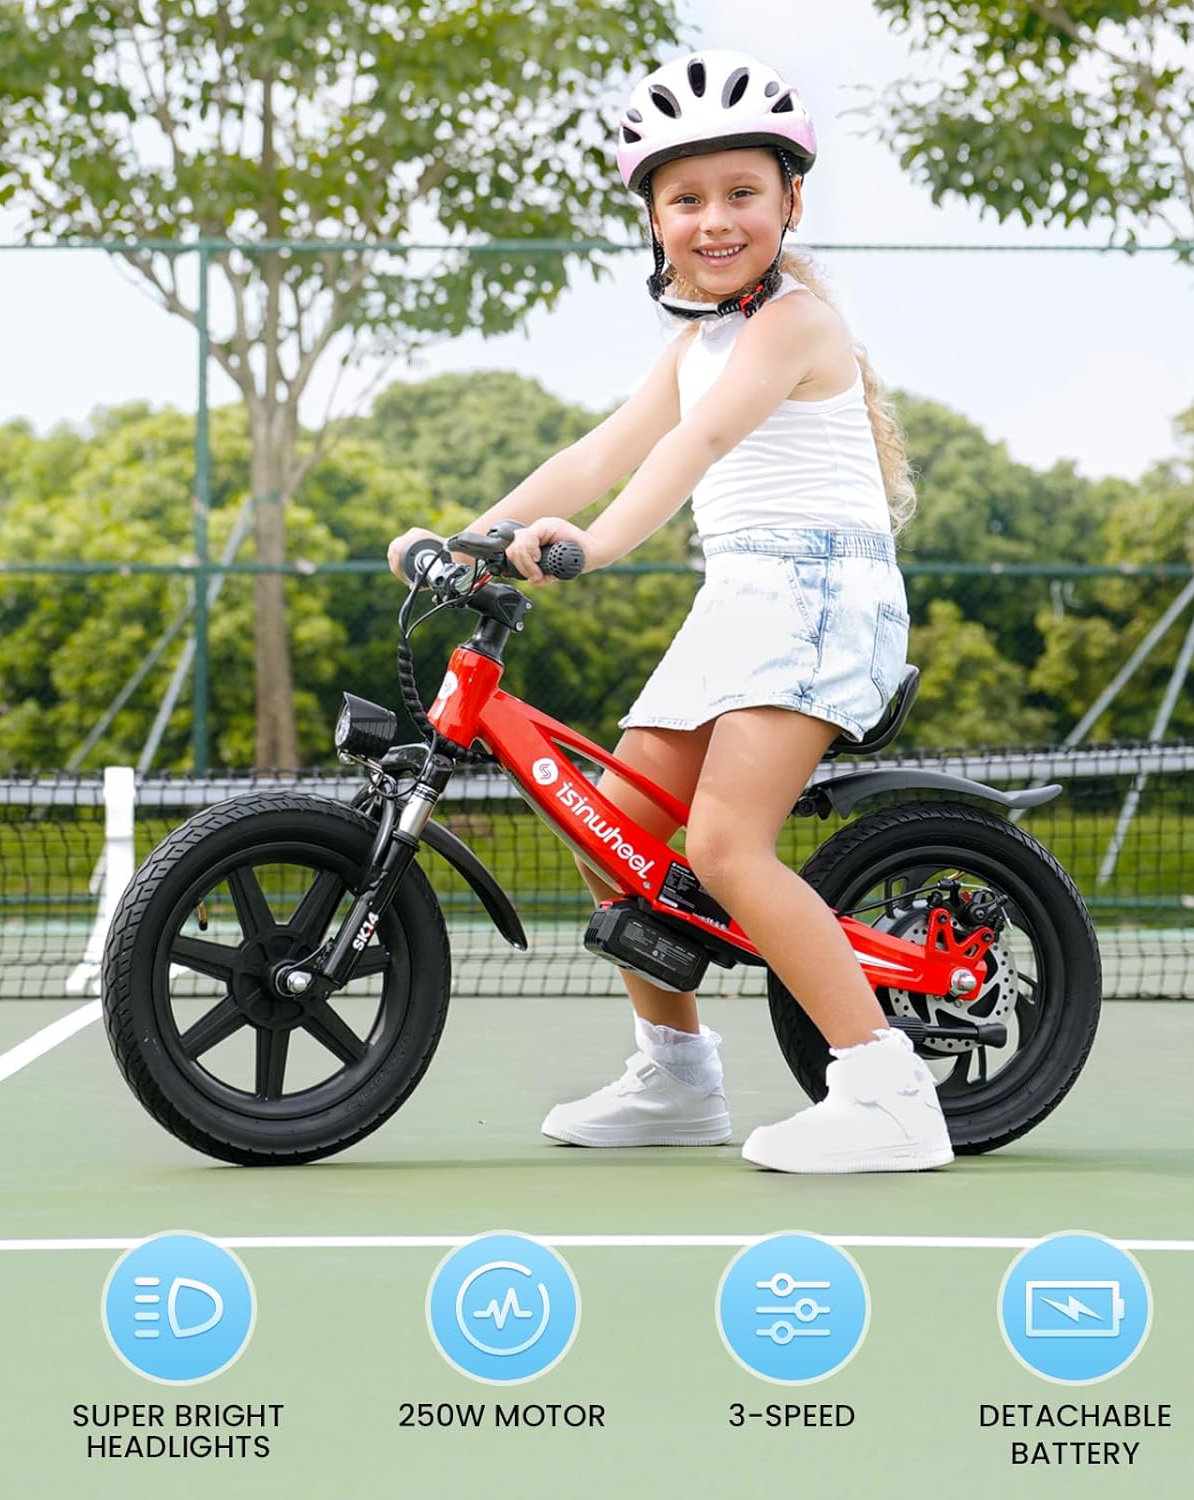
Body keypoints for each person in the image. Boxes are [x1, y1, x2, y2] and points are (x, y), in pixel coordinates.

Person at [388, 50, 952, 1174]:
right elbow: (599, 450)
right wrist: (465, 535)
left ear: (792, 202)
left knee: (725, 844)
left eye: (742, 193)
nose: (714, 219)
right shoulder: (696, 343)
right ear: (652, 218)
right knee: (615, 831)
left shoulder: (792, 325)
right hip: (740, 606)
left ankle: (888, 1092)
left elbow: (696, 450)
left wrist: (593, 544)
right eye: (685, 199)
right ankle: (679, 1076)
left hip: (824, 599)